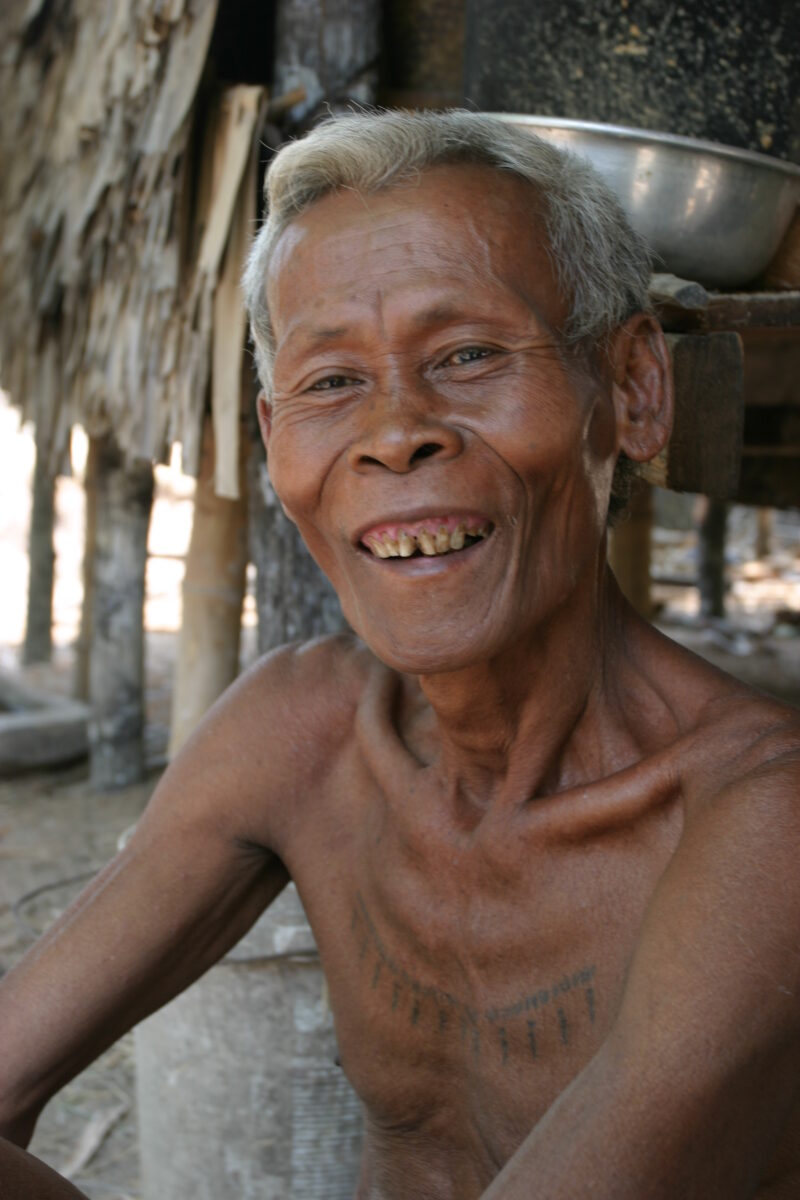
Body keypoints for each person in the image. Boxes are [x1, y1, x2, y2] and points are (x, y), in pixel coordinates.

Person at [1, 109, 799, 1200]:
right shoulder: (303, 730)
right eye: (331, 382)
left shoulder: (758, 819)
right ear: (275, 437)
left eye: (468, 355)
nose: (393, 433)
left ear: (632, 389)